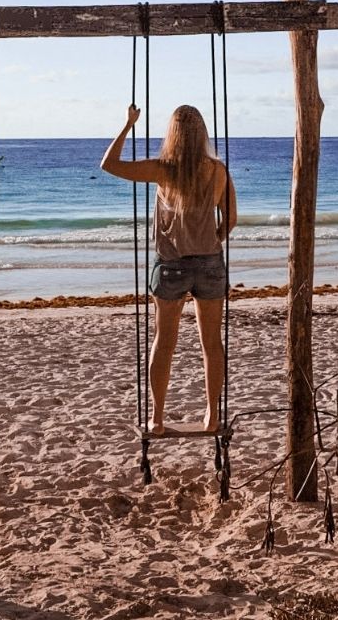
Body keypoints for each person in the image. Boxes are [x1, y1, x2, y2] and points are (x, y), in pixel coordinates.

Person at [101, 104, 237, 434]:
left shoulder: (163, 169)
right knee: (211, 343)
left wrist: (128, 124)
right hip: (209, 265)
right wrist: (213, 237)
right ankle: (211, 416)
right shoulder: (218, 171)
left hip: (171, 266)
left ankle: (158, 419)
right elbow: (230, 219)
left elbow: (109, 164)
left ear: (172, 135)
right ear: (202, 134)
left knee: (164, 343)